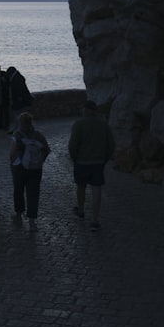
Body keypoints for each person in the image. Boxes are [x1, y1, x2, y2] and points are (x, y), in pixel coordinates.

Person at [68, 99, 115, 232]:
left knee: (81, 187)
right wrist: (104, 159)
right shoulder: (103, 124)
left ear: (86, 109)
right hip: (98, 163)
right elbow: (111, 145)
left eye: (83, 108)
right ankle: (95, 219)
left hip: (82, 162)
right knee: (96, 189)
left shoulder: (78, 124)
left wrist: (75, 158)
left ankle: (81, 210)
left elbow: (72, 146)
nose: (82, 111)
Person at [8, 112, 50, 231]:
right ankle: (32, 222)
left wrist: (12, 164)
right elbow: (46, 150)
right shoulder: (38, 135)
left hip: (19, 167)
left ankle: (18, 215)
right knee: (33, 193)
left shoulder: (17, 135)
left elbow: (12, 153)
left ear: (20, 123)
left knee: (18, 190)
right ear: (31, 122)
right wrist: (39, 161)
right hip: (36, 169)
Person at [5, 66, 32, 131]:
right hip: (19, 100)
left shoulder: (16, 78)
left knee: (18, 115)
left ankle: (17, 129)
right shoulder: (18, 76)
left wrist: (18, 99)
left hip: (18, 101)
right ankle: (18, 128)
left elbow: (18, 90)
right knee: (19, 115)